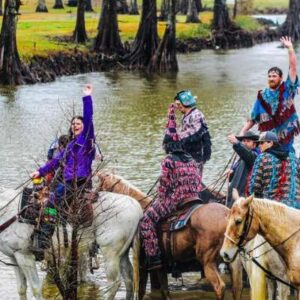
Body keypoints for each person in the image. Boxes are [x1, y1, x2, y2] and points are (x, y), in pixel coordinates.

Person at [30, 84, 96, 253]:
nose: (75, 125)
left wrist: (87, 97)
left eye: (79, 123)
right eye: (73, 123)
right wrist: (40, 172)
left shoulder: (86, 139)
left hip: (78, 180)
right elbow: (54, 162)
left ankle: (44, 237)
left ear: (84, 126)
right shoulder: (69, 145)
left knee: (51, 201)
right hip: (69, 180)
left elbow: (89, 117)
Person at [140, 104, 202, 270]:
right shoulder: (191, 159)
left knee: (146, 221)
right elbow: (198, 180)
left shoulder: (168, 160)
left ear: (167, 146)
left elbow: (165, 185)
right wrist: (171, 116)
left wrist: (160, 198)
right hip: (195, 198)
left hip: (176, 200)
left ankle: (154, 258)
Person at [240, 36, 300, 152]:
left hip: (285, 138)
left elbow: (292, 68)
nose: (271, 78)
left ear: (281, 78)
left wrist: (290, 48)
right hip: (267, 140)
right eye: (269, 76)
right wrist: (242, 133)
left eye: (274, 76)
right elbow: (253, 118)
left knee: (287, 159)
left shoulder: (287, 89)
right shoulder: (262, 96)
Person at [249, 131, 300, 208]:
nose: (259, 145)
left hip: (273, 207)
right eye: (259, 143)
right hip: (295, 206)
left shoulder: (262, 157)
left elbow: (255, 186)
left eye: (262, 143)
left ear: (271, 143)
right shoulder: (293, 157)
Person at [173, 90, 212, 177]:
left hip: (195, 154)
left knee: (193, 180)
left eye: (179, 105)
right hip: (186, 153)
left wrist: (177, 138)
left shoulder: (196, 115)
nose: (178, 107)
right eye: (177, 105)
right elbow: (183, 130)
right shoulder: (185, 116)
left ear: (186, 103)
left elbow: (194, 133)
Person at [226, 131, 260, 208]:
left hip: (247, 192)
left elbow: (248, 156)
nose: (245, 143)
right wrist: (231, 172)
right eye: (244, 141)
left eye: (248, 141)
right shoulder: (242, 158)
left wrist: (237, 143)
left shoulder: (256, 156)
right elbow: (232, 178)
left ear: (254, 144)